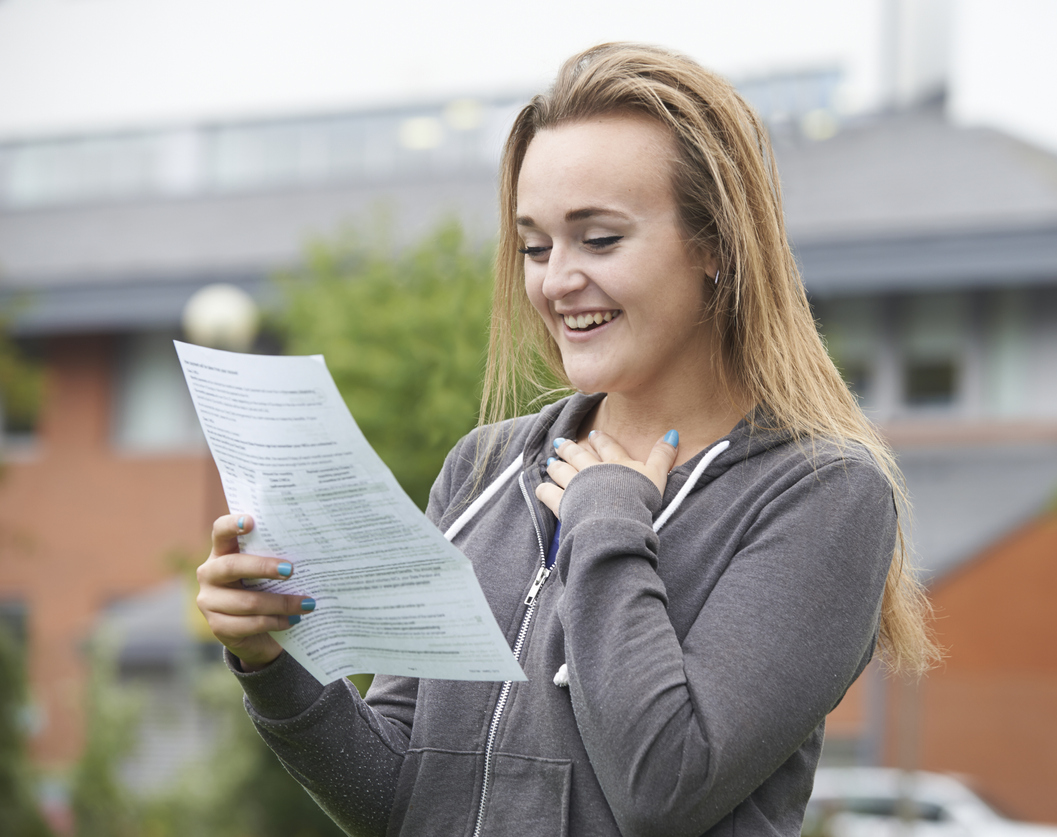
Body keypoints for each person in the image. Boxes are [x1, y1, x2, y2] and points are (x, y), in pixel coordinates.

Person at [195, 42, 937, 837]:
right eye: (535, 245)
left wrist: (608, 521)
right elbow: (406, 801)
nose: (554, 282)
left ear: (716, 244)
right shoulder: (483, 467)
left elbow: (666, 785)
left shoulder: (825, 493)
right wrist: (274, 664)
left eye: (600, 239)